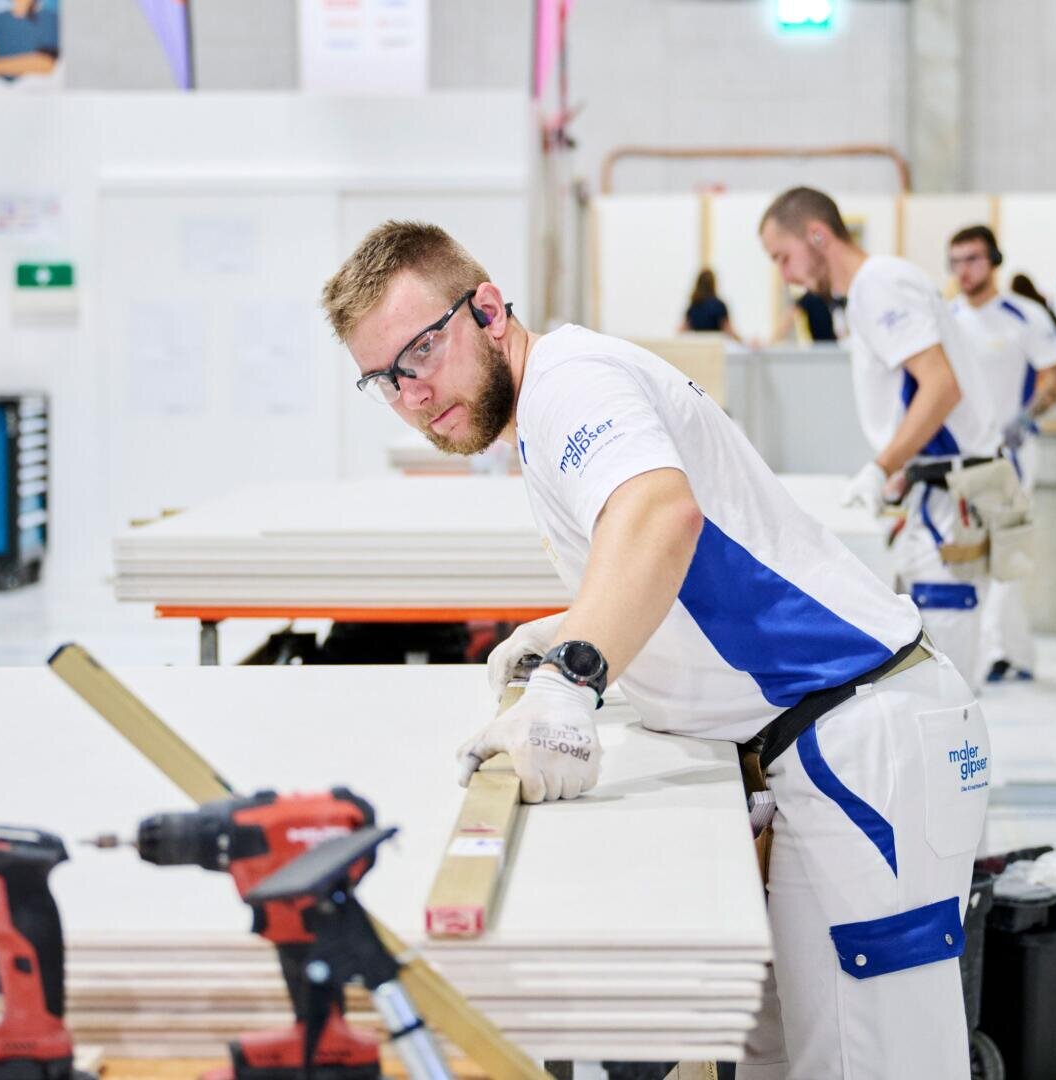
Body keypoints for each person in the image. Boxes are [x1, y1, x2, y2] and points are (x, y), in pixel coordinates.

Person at [321, 221, 990, 1080]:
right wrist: (572, 625)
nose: (412, 393)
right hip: (814, 740)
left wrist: (571, 678)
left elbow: (660, 515)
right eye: (383, 378)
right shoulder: (546, 409)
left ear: (486, 309)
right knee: (781, 1056)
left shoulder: (569, 384)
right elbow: (663, 555)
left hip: (862, 739)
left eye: (421, 350)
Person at [758, 186, 1002, 683]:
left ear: (817, 235)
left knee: (944, 681)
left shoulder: (879, 284)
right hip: (934, 491)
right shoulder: (868, 292)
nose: (786, 275)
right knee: (929, 670)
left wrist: (880, 467)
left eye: (783, 257)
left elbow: (940, 386)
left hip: (949, 500)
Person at [947, 227, 1056, 682]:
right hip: (960, 457)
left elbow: (1055, 377)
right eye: (955, 261)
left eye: (973, 259)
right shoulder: (946, 318)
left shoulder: (1024, 315)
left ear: (994, 260)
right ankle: (1015, 654)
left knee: (1005, 553)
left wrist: (1024, 421)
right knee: (969, 558)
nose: (963, 269)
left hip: (1010, 454)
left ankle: (993, 653)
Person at [758, 287, 839, 346]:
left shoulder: (837, 297)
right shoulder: (810, 297)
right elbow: (788, 321)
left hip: (837, 349)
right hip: (821, 349)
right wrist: (768, 342)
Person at [679, 268, 741, 342]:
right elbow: (728, 329)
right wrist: (741, 340)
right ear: (714, 284)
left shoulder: (694, 306)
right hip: (714, 345)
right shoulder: (719, 305)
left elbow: (682, 329)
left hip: (699, 345)